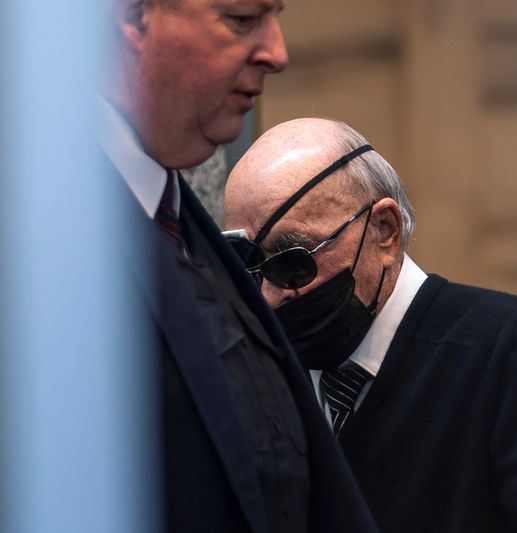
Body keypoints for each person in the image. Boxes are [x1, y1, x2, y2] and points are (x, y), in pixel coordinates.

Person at [99, 2, 376, 532]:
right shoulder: (43, 235)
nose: (278, 53)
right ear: (135, 18)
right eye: (242, 19)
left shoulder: (181, 223)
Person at [223, 117, 517, 533]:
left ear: (384, 231)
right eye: (247, 266)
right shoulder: (266, 375)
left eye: (294, 262)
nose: (270, 295)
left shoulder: (508, 349)